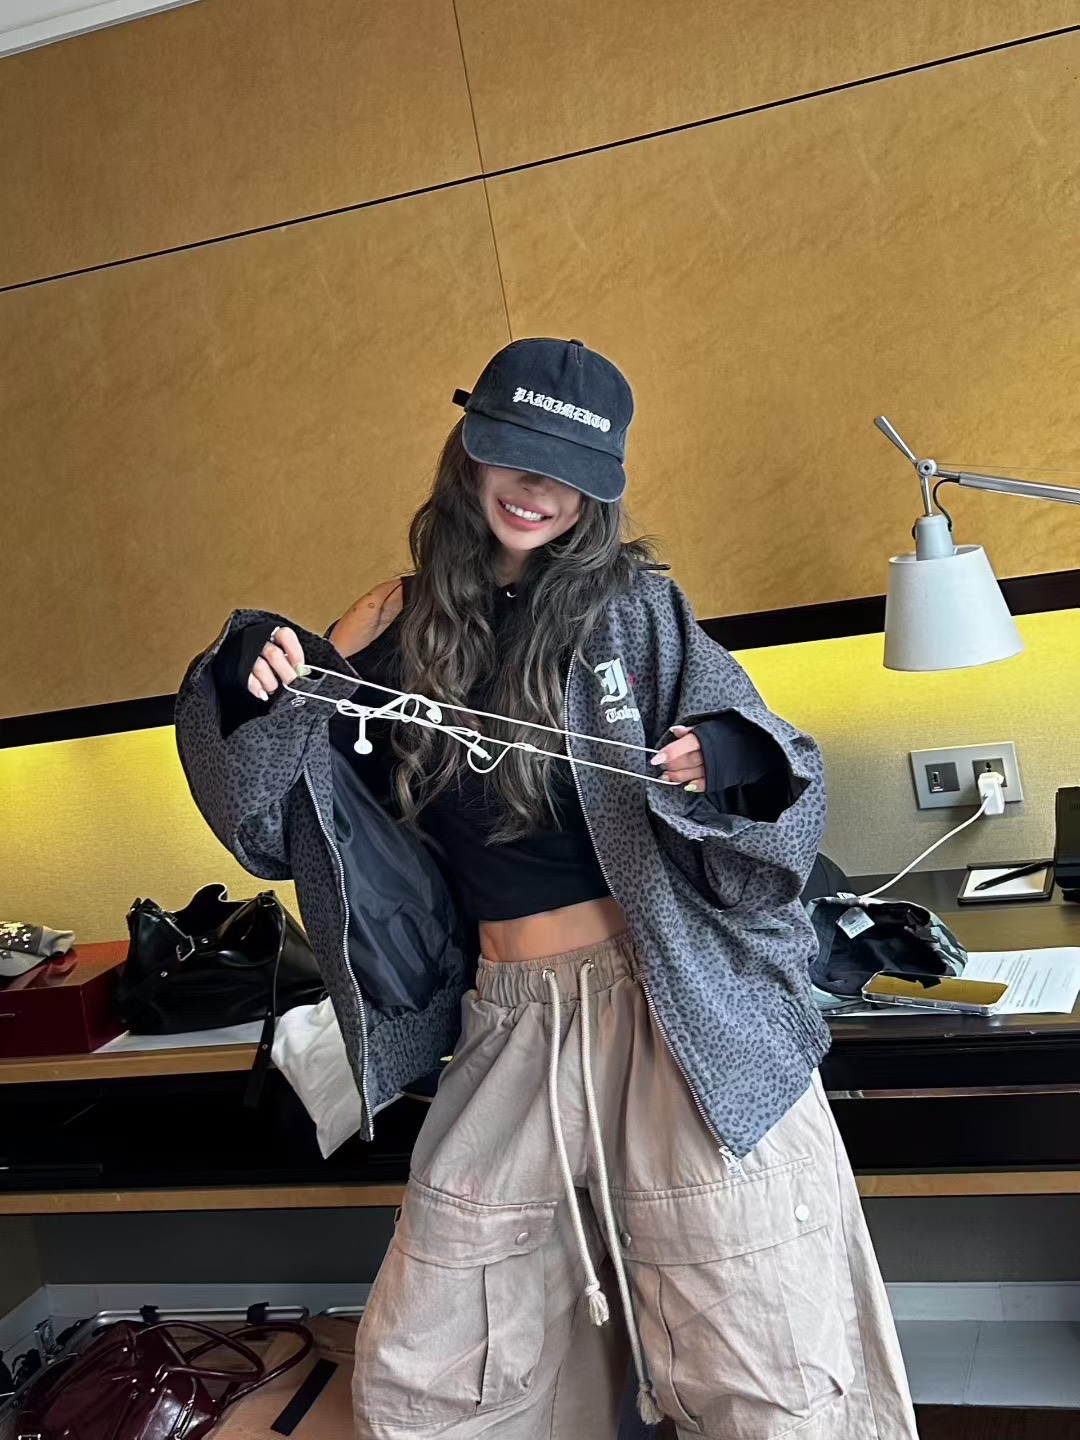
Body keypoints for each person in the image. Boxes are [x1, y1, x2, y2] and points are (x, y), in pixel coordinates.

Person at [175, 338, 917, 1439]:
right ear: (469, 451)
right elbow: (273, 825)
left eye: (567, 473)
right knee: (438, 1376)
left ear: (598, 489)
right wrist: (245, 682)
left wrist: (732, 755)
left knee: (767, 1366)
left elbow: (779, 772)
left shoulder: (636, 611)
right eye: (514, 456)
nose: (536, 490)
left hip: (677, 1008)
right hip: (508, 1021)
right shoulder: (386, 628)